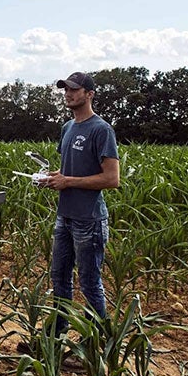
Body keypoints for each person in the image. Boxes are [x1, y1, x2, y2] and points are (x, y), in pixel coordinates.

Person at [42, 71, 120, 337]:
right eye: (66, 90)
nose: (68, 94)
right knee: (59, 279)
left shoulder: (101, 129)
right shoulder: (67, 128)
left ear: (89, 94)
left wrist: (68, 181)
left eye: (74, 90)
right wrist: (52, 178)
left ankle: (95, 346)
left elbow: (111, 178)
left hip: (89, 220)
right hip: (65, 216)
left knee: (89, 284)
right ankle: (56, 339)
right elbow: (68, 170)